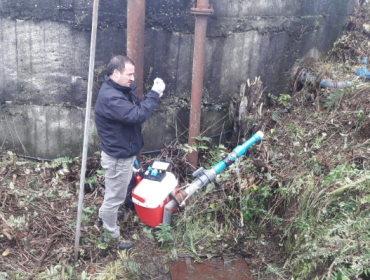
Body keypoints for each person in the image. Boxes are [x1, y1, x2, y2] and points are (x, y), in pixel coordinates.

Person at [94, 55, 165, 249]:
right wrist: (154, 94)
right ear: (116, 73)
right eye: (129, 74)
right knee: (115, 197)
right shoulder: (111, 97)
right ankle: (110, 236)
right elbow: (138, 114)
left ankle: (103, 217)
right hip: (118, 157)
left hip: (121, 152)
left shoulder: (118, 90)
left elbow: (135, 107)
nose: (132, 78)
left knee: (114, 192)